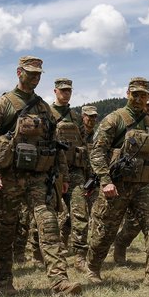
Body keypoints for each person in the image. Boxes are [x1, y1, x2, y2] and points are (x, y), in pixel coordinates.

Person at [0, 56, 82, 296]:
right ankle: (4, 281)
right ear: (19, 72)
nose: (35, 77)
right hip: (9, 176)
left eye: (38, 74)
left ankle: (59, 281)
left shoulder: (44, 108)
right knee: (6, 229)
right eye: (30, 73)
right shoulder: (3, 104)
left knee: (48, 223)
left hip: (38, 177)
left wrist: (63, 176)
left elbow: (56, 145)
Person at [85, 78, 149, 286]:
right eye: (135, 94)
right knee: (105, 231)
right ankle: (93, 267)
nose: (139, 99)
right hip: (117, 186)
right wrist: (105, 181)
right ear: (127, 94)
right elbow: (97, 152)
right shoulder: (114, 120)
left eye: (143, 95)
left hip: (144, 186)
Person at [112, 91, 149, 266]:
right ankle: (121, 243)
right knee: (133, 223)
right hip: (136, 180)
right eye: (148, 104)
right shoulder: (131, 126)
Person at [49, 78, 86, 255]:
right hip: (52, 171)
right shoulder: (46, 113)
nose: (66, 93)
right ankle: (39, 250)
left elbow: (84, 143)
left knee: (80, 213)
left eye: (69, 91)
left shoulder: (75, 117)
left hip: (74, 171)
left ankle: (79, 255)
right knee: (48, 215)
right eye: (62, 90)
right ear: (55, 91)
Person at [70, 105, 98, 271]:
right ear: (82, 116)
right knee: (76, 214)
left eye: (94, 117)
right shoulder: (76, 133)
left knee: (94, 212)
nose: (91, 119)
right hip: (74, 175)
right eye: (88, 116)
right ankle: (78, 255)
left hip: (91, 178)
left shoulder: (97, 135)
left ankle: (86, 254)